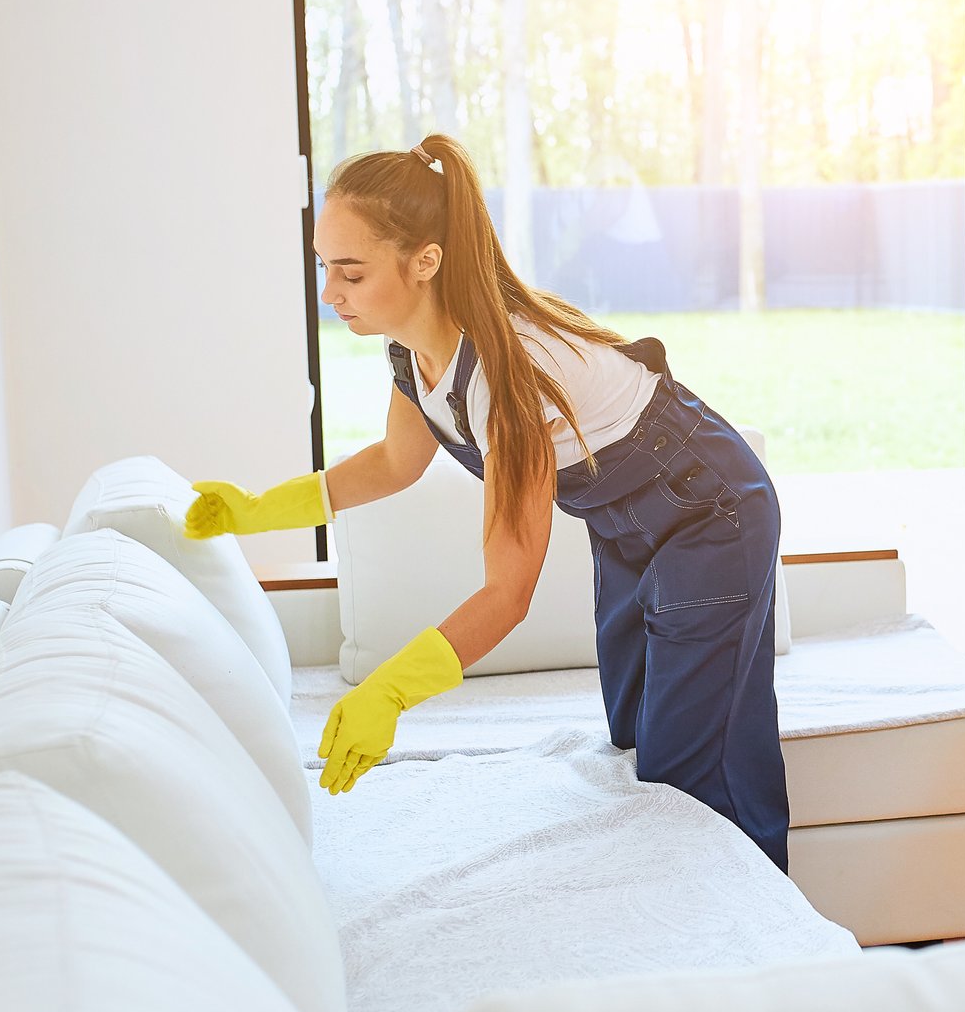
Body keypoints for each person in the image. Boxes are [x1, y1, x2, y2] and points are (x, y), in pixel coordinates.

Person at [188, 135, 790, 869]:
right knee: (636, 730)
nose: (329, 293)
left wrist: (390, 693)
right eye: (324, 267)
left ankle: (751, 942)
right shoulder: (414, 351)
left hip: (709, 515)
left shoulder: (508, 377)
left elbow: (508, 593)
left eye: (351, 272)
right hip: (630, 526)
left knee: (692, 769)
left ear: (425, 261)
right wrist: (256, 510)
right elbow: (393, 463)